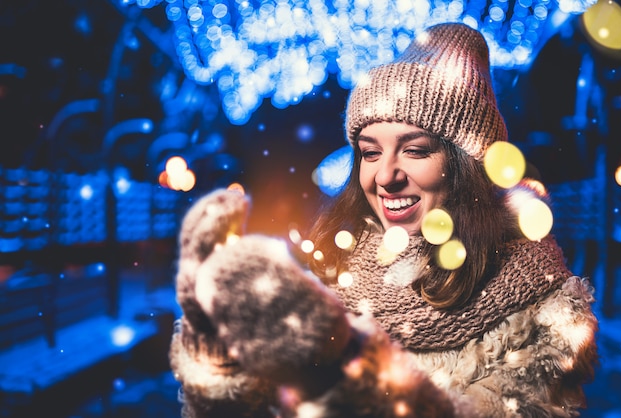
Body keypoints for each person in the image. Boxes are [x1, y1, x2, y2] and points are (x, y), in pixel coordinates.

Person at [169, 22, 599, 418]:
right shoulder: (329, 274)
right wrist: (215, 349)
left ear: (464, 162)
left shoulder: (545, 305)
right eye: (370, 152)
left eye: (415, 150)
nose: (386, 176)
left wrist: (354, 384)